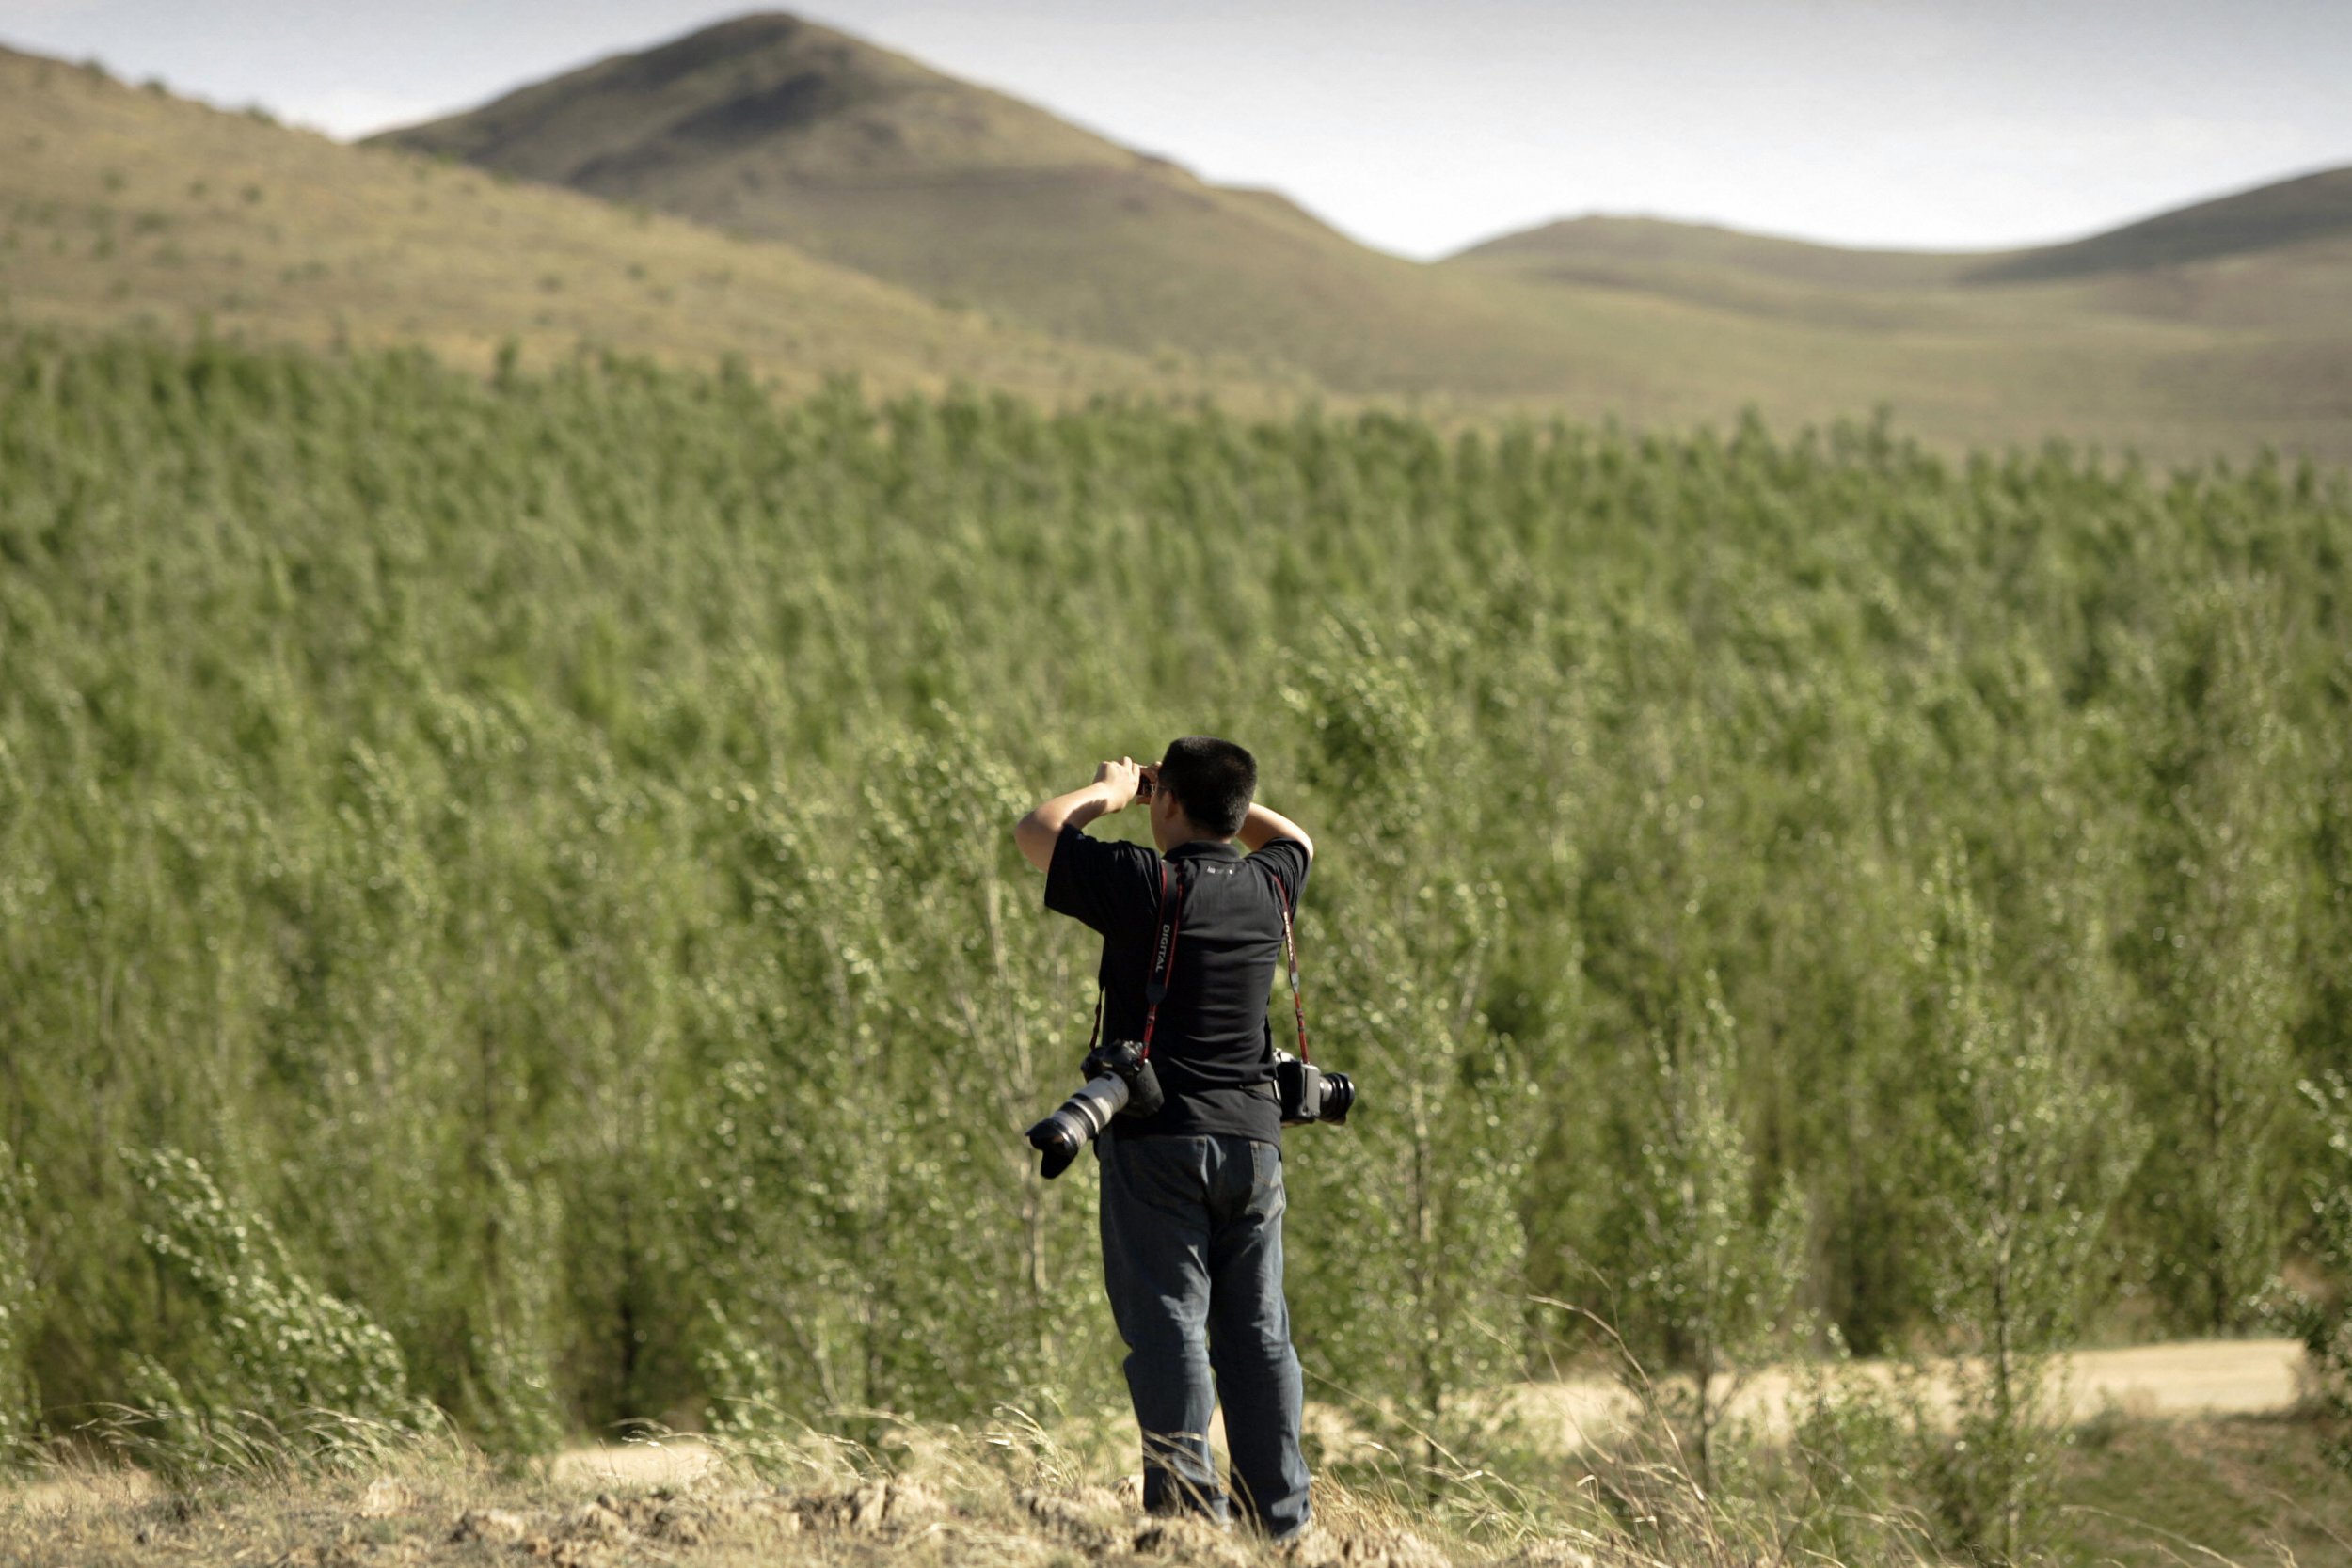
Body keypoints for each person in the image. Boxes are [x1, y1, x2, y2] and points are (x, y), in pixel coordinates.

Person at [1013, 736, 1316, 1542]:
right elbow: (1299, 841)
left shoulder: (1147, 883)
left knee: (1171, 1328)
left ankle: (1188, 1524)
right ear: (1235, 808)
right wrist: (1215, 799)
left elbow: (1036, 830)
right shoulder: (1268, 885)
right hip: (1255, 1145)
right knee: (1258, 1337)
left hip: (1158, 1143)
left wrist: (1113, 794)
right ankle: (1279, 1526)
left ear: (1169, 802)